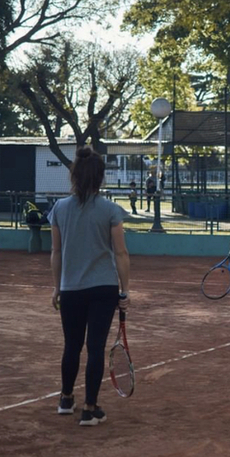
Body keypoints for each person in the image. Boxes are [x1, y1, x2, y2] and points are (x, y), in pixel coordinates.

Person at [48, 146, 131, 426]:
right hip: (102, 289)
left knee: (72, 346)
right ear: (100, 178)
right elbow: (121, 253)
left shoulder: (59, 208)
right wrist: (124, 290)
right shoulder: (110, 210)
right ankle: (90, 408)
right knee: (95, 348)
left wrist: (57, 287)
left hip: (70, 289)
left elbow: (56, 252)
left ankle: (66, 398)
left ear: (75, 176)